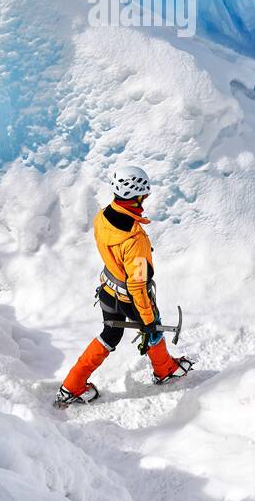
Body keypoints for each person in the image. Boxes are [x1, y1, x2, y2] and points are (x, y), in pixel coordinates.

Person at [54, 164, 192, 407]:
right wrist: (148, 319)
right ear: (136, 196)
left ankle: (72, 386)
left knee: (110, 334)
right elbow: (138, 285)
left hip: (108, 290)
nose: (145, 199)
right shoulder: (135, 240)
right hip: (130, 298)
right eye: (143, 196)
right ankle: (165, 370)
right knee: (153, 329)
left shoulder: (103, 216)